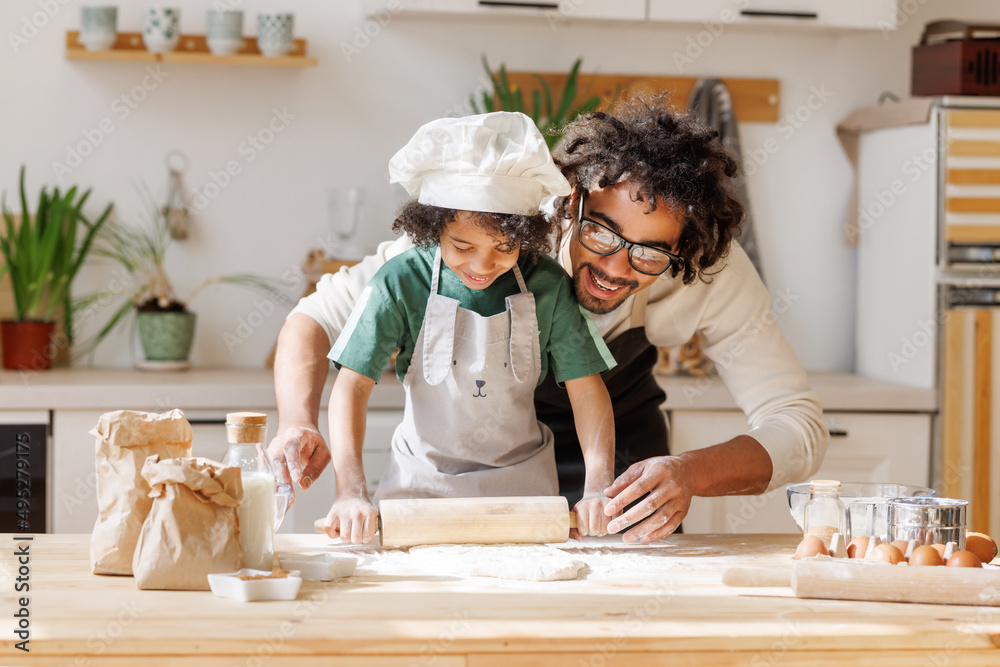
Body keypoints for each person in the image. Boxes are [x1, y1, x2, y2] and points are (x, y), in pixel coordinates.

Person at [270, 94, 829, 544]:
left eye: (650, 254)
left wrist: (688, 473)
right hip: (470, 470)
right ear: (570, 205)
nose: (613, 267)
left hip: (615, 479)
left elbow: (798, 425)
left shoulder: (711, 265)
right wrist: (298, 421)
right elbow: (312, 319)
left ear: (686, 250)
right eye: (601, 233)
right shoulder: (496, 229)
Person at [320, 111, 618, 544]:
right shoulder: (400, 282)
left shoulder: (548, 286)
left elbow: (588, 391)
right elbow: (351, 388)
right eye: (462, 246)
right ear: (433, 225)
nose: (483, 265)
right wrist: (349, 493)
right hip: (417, 493)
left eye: (504, 247)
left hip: (523, 496)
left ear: (526, 234)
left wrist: (597, 489)